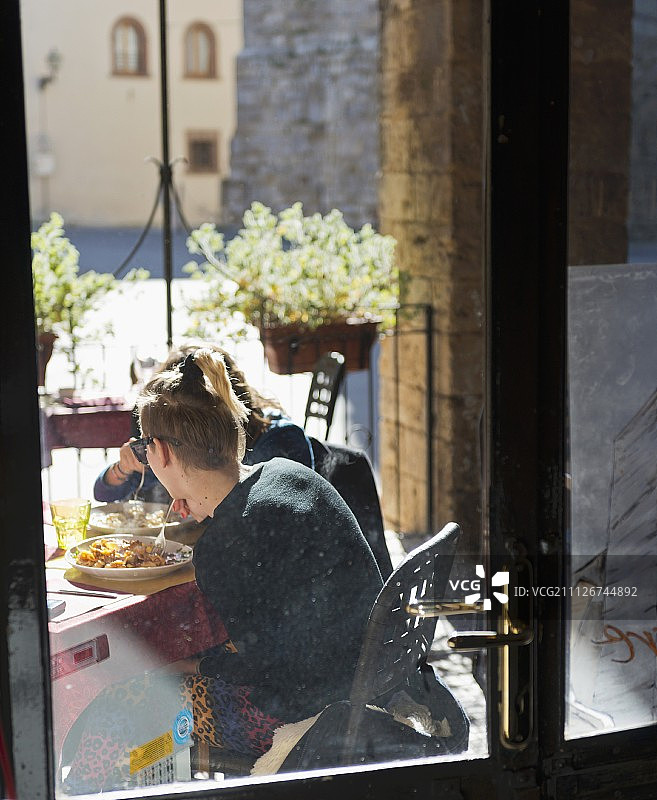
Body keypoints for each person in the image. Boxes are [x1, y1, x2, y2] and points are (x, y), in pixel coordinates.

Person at [65, 348, 382, 793]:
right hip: (361, 675)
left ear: (159, 452)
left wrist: (182, 665)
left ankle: (92, 790)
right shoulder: (287, 473)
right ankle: (144, 776)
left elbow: (255, 667)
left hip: (303, 709)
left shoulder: (226, 543)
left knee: (117, 705)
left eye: (143, 448)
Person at [93, 344, 314, 504]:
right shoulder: (177, 441)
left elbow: (282, 514)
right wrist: (122, 468)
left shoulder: (278, 441)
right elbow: (103, 492)